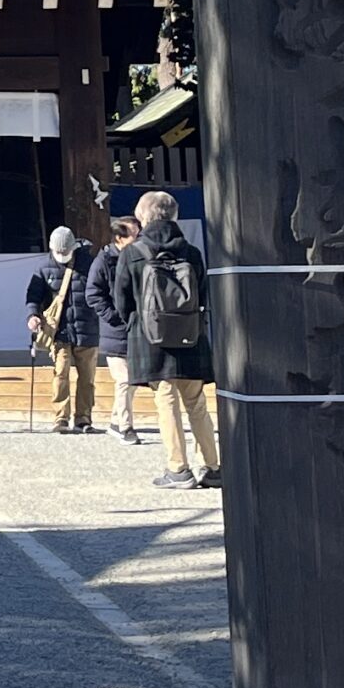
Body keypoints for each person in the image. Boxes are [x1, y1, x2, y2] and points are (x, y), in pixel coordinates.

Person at [115, 188, 218, 490]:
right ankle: (213, 467)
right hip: (190, 335)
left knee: (166, 401)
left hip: (152, 338)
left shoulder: (132, 253)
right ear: (175, 216)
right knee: (197, 404)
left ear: (142, 216)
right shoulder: (192, 252)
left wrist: (139, 323)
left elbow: (122, 302)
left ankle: (178, 469)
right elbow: (202, 292)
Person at [26, 226, 102, 434]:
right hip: (59, 330)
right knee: (60, 374)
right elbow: (33, 296)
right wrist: (33, 315)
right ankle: (60, 417)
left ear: (73, 247)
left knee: (87, 378)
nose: (60, 256)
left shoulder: (90, 264)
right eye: (57, 252)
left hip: (87, 328)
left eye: (64, 252)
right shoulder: (43, 267)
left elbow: (101, 291)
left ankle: (83, 418)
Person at [86, 215, 142, 442]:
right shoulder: (103, 261)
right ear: (119, 238)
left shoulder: (139, 258)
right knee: (125, 379)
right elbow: (93, 293)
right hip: (115, 331)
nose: (138, 239)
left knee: (132, 382)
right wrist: (113, 318)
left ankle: (115, 420)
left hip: (136, 329)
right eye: (133, 235)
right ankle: (125, 427)